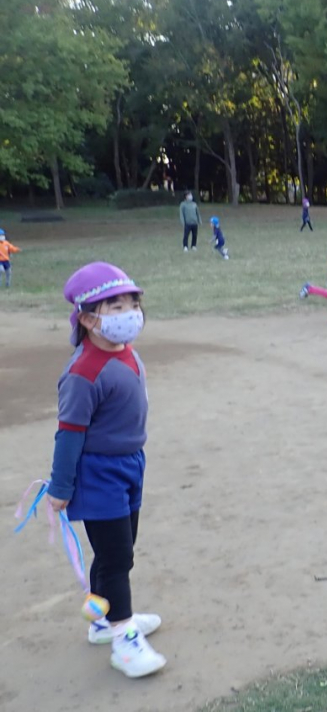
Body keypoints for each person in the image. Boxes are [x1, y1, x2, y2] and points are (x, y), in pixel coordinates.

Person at [48, 262, 166, 678]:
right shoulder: (83, 372)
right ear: (87, 318)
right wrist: (60, 487)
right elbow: (69, 433)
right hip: (98, 474)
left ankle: (103, 618)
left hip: (131, 465)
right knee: (117, 557)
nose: (130, 312)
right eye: (115, 306)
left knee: (119, 549)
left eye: (133, 303)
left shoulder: (127, 351)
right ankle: (124, 639)